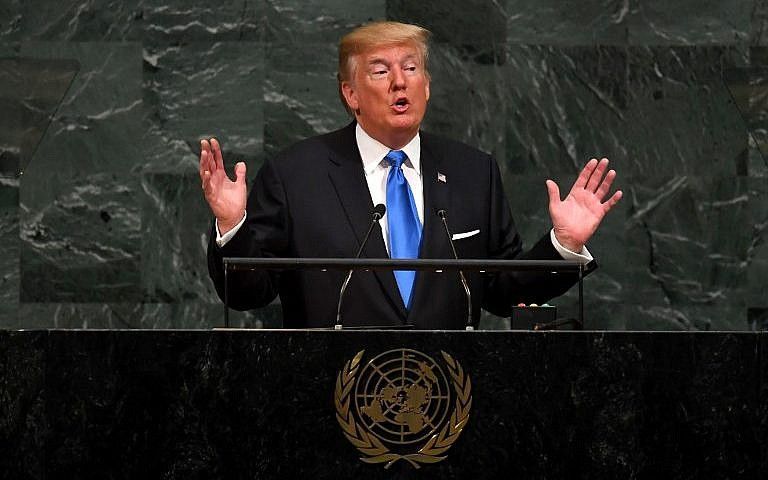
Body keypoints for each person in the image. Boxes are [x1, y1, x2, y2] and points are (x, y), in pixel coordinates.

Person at [200, 21, 622, 329]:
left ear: (428, 86)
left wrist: (563, 246)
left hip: (449, 405)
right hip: (329, 403)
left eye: (412, 68)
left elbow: (501, 289)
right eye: (381, 71)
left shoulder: (473, 172)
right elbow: (248, 294)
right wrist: (232, 227)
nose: (399, 82)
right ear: (350, 94)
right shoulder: (296, 174)